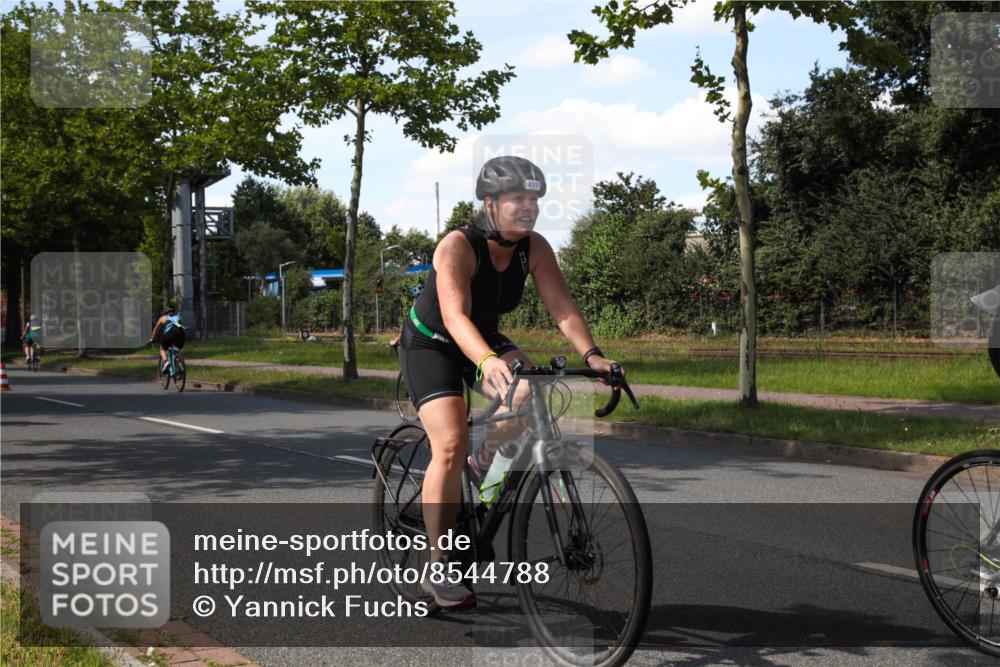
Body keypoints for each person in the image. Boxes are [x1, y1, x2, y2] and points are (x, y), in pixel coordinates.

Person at [398, 156, 619, 610]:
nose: (528, 208)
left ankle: (482, 459)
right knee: (449, 440)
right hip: (433, 342)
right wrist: (484, 360)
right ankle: (438, 566)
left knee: (531, 390)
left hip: (484, 337)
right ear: (490, 203)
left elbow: (562, 307)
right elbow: (455, 316)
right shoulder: (458, 246)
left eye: (534, 199)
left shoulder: (533, 248)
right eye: (518, 198)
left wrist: (592, 355)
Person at [148, 303, 186, 374]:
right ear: (174, 311)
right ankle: (178, 366)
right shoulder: (178, 316)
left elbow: (156, 330)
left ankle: (166, 362)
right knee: (176, 350)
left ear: (165, 312)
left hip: (170, 334)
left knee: (162, 348)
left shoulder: (163, 318)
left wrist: (152, 338)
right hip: (181, 334)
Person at [388, 284, 425, 350]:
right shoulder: (431, 311)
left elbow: (406, 331)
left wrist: (395, 341)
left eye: (414, 299)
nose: (413, 302)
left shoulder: (417, 314)